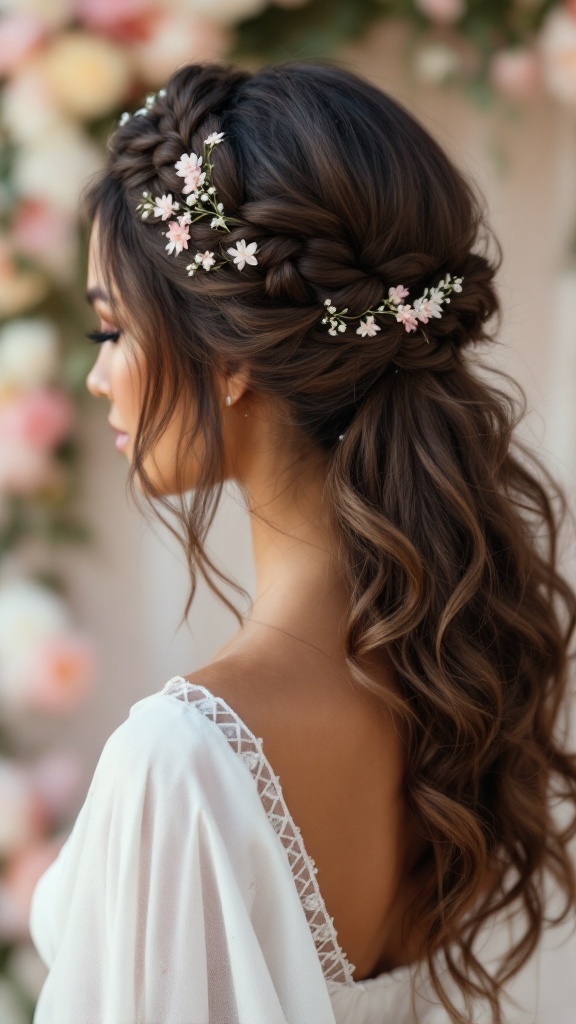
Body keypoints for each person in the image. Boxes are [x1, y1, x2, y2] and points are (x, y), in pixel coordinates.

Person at [28, 60, 576, 1024]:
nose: (98, 377)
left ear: (229, 357)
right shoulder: (447, 682)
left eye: (111, 331)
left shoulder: (180, 760)